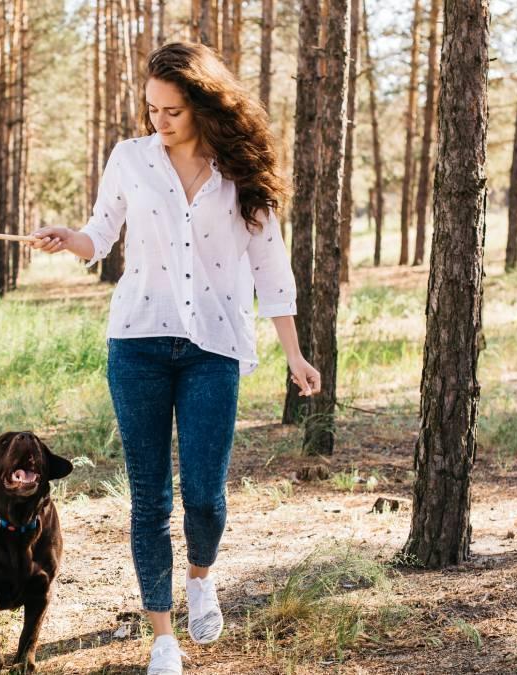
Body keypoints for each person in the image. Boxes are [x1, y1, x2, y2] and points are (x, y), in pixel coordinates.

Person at [27, 41, 321, 674]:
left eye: (173, 111)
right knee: (150, 498)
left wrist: (294, 354)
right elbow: (99, 234)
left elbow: (272, 269)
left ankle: (200, 577)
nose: (158, 122)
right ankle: (163, 637)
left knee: (207, 497)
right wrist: (66, 239)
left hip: (215, 346)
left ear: (205, 106)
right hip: (137, 341)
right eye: (151, 108)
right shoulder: (130, 159)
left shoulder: (241, 171)